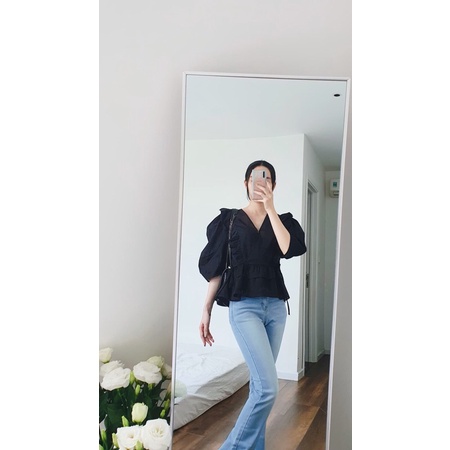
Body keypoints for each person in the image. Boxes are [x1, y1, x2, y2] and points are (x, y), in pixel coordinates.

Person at [198, 160, 307, 450]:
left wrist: (270, 208)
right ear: (246, 183)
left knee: (260, 387)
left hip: (276, 308)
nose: (261, 183)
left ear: (274, 185)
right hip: (244, 307)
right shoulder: (229, 220)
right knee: (268, 387)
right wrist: (206, 309)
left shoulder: (283, 221)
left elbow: (288, 248)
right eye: (256, 178)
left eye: (267, 178)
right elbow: (217, 268)